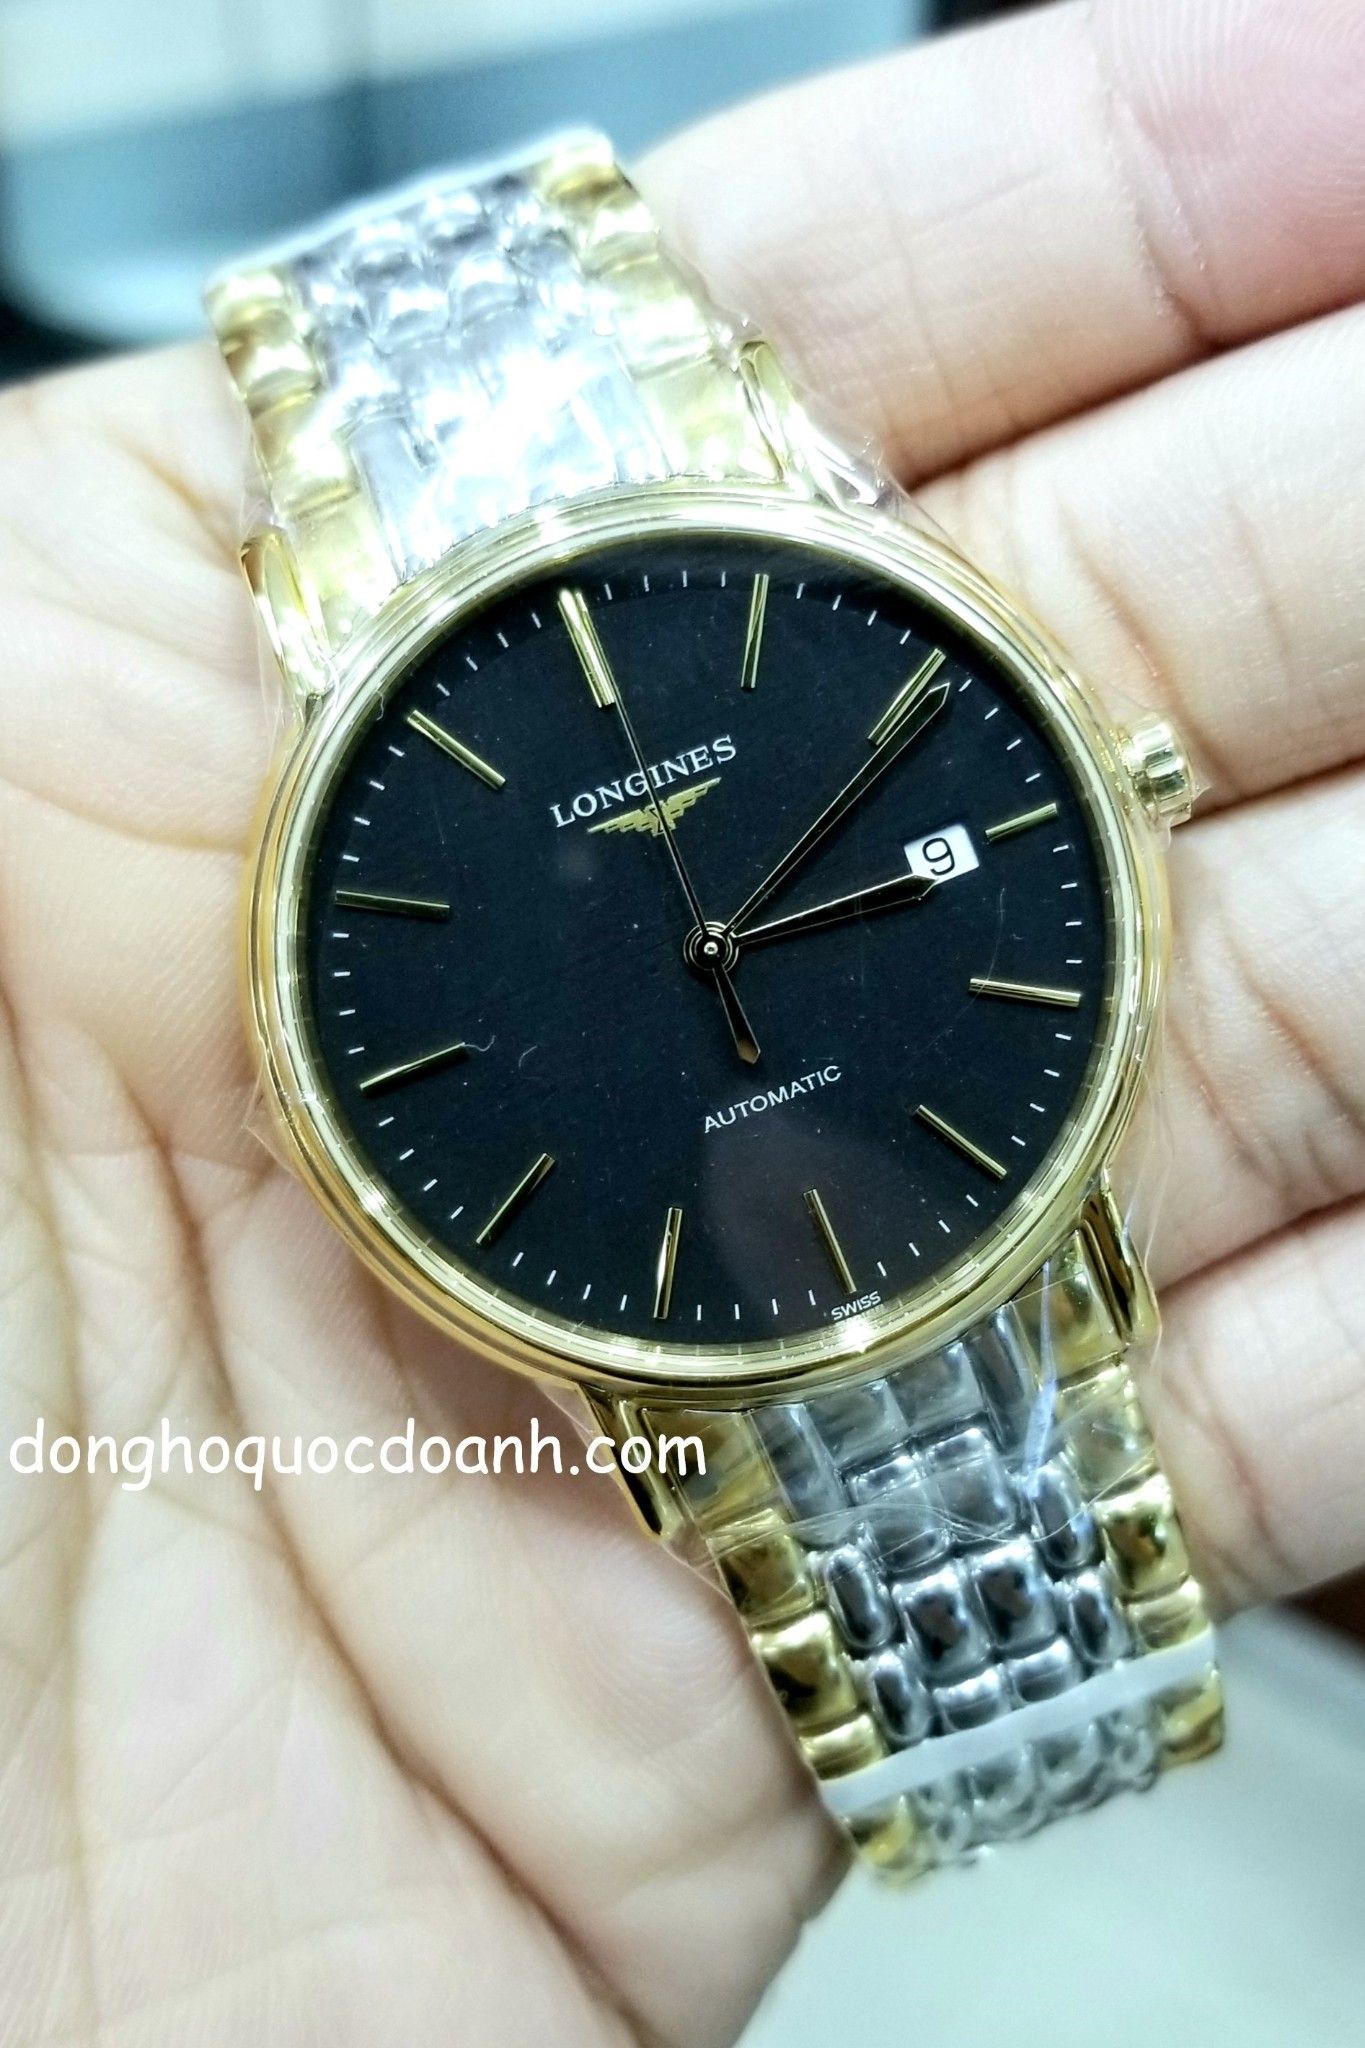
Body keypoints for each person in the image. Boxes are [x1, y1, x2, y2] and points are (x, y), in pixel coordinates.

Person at [0, 0, 1361, 2039]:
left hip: (913, 1228)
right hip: (708, 1300)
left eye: (733, 928)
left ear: (1118, 779)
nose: (717, 946)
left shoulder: (863, 644)